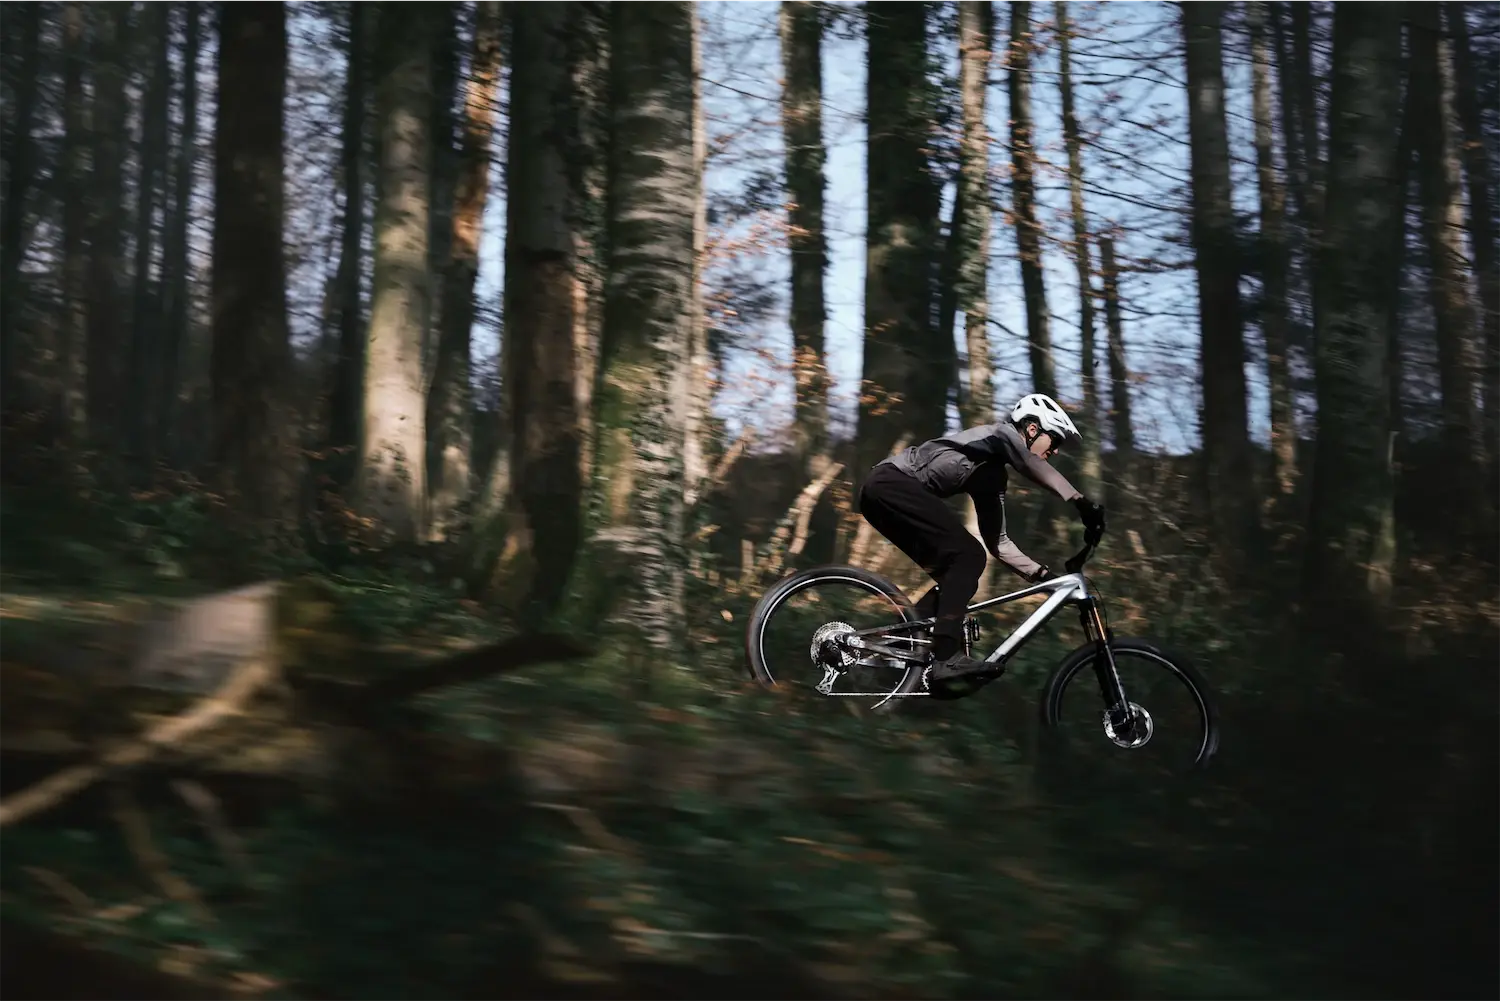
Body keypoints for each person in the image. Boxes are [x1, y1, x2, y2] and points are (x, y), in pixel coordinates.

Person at [857, 393, 1107, 685]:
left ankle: (893, 646)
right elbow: (1030, 463)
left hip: (885, 496)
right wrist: (1080, 501)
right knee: (969, 556)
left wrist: (1044, 576)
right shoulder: (999, 435)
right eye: (1054, 441)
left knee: (959, 576)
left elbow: (999, 543)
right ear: (1032, 429)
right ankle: (945, 657)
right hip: (891, 484)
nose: (1054, 452)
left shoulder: (992, 476)